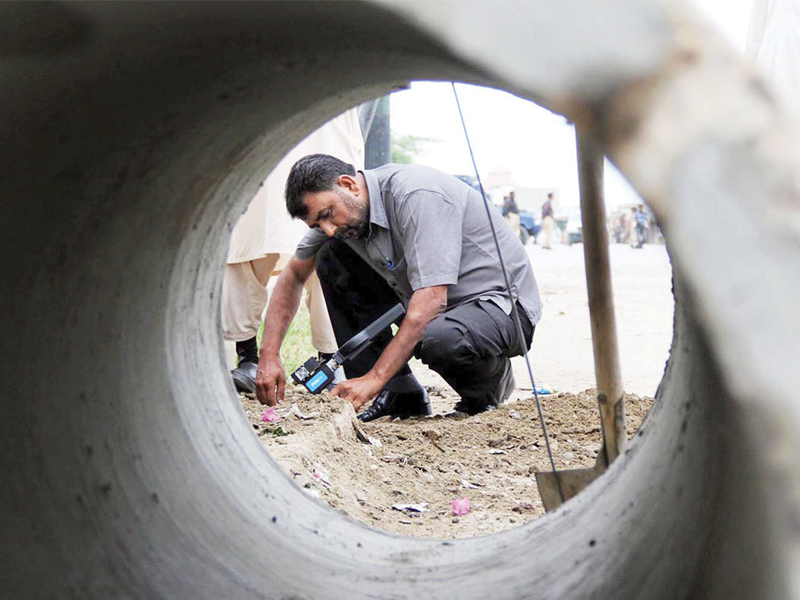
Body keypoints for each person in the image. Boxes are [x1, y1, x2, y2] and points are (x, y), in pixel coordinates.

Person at [255, 155, 542, 421]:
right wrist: (268, 355)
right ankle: (400, 393)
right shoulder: (340, 223)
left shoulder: (416, 195)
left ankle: (488, 389)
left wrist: (374, 377)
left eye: (328, 213)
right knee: (331, 255)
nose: (328, 229)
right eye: (318, 224)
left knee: (440, 338)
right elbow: (293, 274)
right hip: (437, 310)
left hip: (502, 308)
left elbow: (431, 301)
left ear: (349, 184)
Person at [223, 111, 364, 394]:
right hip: (256, 121)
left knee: (332, 240)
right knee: (245, 234)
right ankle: (248, 356)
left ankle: (330, 360)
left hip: (324, 125)